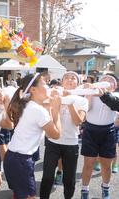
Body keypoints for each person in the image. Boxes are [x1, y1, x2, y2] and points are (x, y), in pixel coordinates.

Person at [4, 73, 62, 199]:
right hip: (21, 161)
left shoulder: (28, 105)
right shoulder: (38, 110)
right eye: (45, 83)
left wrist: (49, 108)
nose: (48, 86)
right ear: (33, 89)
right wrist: (56, 110)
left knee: (18, 195)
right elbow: (56, 135)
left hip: (13, 158)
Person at [40, 71, 88, 199]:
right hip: (53, 142)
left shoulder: (82, 100)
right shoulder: (55, 95)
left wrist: (70, 102)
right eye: (66, 78)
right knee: (47, 176)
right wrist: (54, 97)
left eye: (73, 78)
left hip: (71, 143)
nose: (70, 80)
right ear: (62, 81)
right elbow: (45, 111)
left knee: (69, 178)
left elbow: (78, 121)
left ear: (78, 83)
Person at [80, 74, 119, 199]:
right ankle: (84, 190)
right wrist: (89, 93)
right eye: (103, 79)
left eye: (110, 81)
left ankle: (105, 187)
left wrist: (102, 94)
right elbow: (87, 109)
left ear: (115, 86)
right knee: (88, 163)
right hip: (90, 130)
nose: (106, 81)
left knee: (106, 164)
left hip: (108, 131)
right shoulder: (92, 93)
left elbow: (114, 104)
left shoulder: (116, 96)